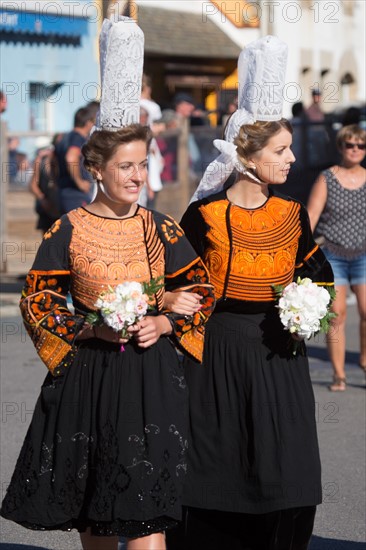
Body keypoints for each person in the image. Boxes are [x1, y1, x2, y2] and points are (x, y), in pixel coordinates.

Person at [0, 16, 215, 550]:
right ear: (96, 169)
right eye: (126, 167)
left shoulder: (161, 228)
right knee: (96, 520)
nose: (138, 176)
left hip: (152, 379)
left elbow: (204, 291)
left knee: (149, 521)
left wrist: (166, 319)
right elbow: (38, 301)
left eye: (144, 164)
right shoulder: (66, 229)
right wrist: (90, 330)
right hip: (90, 377)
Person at [165, 36, 334, 550]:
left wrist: (307, 309)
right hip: (217, 352)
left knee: (286, 462)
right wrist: (174, 306)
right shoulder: (205, 215)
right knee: (218, 456)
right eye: (281, 151)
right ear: (248, 157)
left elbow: (319, 274)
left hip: (279, 352)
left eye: (290, 148)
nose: (291, 159)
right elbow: (174, 281)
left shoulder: (291, 214)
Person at [307, 124, 366, 391]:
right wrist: (299, 249)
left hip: (363, 253)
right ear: (341, 147)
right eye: (350, 145)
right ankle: (339, 374)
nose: (355, 150)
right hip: (333, 253)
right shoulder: (327, 177)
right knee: (337, 314)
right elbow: (312, 215)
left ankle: (364, 359)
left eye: (360, 145)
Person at [54, 106, 96, 214]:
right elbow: (71, 157)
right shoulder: (78, 138)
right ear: (88, 123)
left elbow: (53, 163)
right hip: (76, 194)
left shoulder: (63, 139)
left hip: (63, 192)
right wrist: (79, 182)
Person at [29, 134, 62, 234]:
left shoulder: (63, 162)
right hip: (47, 210)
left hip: (61, 208)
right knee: (47, 242)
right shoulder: (39, 162)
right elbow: (32, 185)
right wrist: (43, 200)